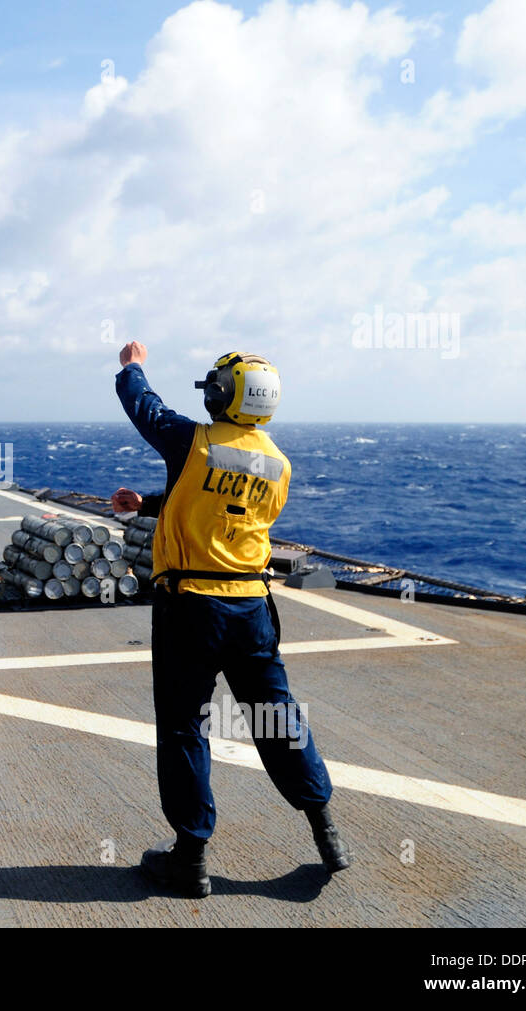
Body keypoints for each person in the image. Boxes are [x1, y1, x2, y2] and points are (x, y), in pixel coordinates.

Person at [114, 341, 350, 897]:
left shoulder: (191, 441)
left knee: (184, 727)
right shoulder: (278, 463)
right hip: (252, 609)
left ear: (221, 395)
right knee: (277, 717)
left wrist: (132, 366)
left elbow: (144, 407)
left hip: (191, 606)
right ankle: (326, 830)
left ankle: (190, 860)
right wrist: (148, 505)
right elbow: (229, 508)